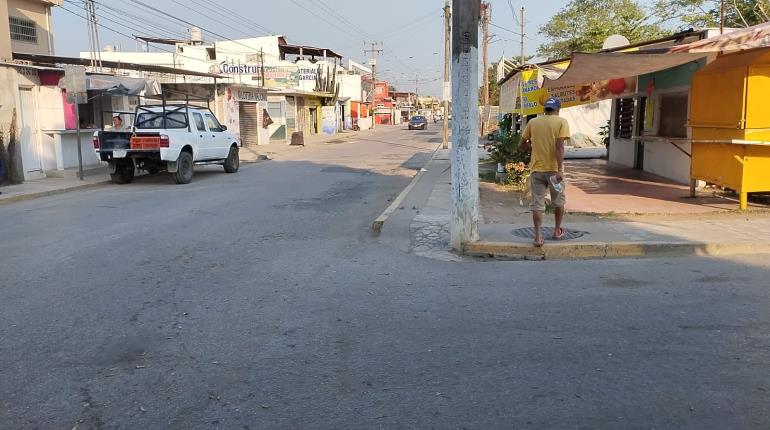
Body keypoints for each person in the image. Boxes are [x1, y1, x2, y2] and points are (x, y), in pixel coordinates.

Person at [518, 97, 570, 247]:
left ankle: (538, 237)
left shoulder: (533, 122)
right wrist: (560, 170)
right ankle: (556, 231)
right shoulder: (561, 122)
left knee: (537, 204)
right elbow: (560, 147)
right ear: (558, 109)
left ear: (544, 109)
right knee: (559, 202)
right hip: (555, 173)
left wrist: (533, 149)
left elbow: (521, 145)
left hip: (537, 171)